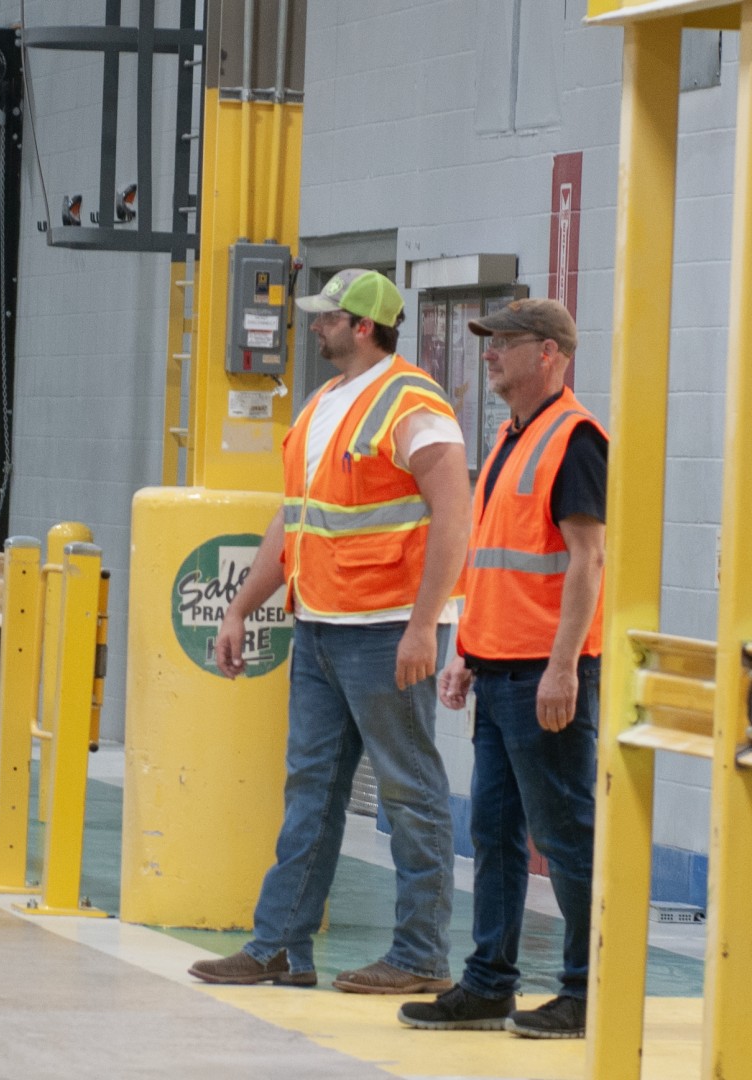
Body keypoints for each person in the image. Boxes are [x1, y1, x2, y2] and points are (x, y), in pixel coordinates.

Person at [187, 268, 470, 994]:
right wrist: (242, 607)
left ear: (363, 327)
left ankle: (421, 956)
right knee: (310, 790)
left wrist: (424, 625)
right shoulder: (321, 404)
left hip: (384, 630)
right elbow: (293, 518)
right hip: (317, 626)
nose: (314, 326)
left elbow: (454, 516)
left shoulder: (412, 402)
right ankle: (280, 946)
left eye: (327, 317)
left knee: (409, 791)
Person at [398, 298, 605, 1040]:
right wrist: (466, 652)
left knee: (566, 836)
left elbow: (588, 561)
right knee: (493, 834)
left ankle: (590, 991)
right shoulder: (512, 439)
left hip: (545, 677)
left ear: (548, 353)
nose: (488, 353)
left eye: (504, 342)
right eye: (488, 342)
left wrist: (563, 668)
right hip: (498, 673)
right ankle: (489, 985)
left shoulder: (575, 440)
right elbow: (492, 565)